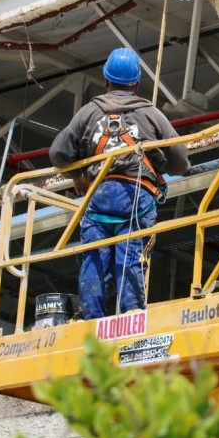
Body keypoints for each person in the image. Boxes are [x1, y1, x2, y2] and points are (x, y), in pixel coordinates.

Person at [49, 48, 190, 319]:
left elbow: (58, 153)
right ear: (137, 84)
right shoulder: (151, 114)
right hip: (137, 196)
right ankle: (132, 314)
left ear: (105, 81)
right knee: (131, 255)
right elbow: (181, 163)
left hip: (99, 195)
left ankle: (92, 319)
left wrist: (76, 176)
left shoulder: (88, 113)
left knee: (94, 258)